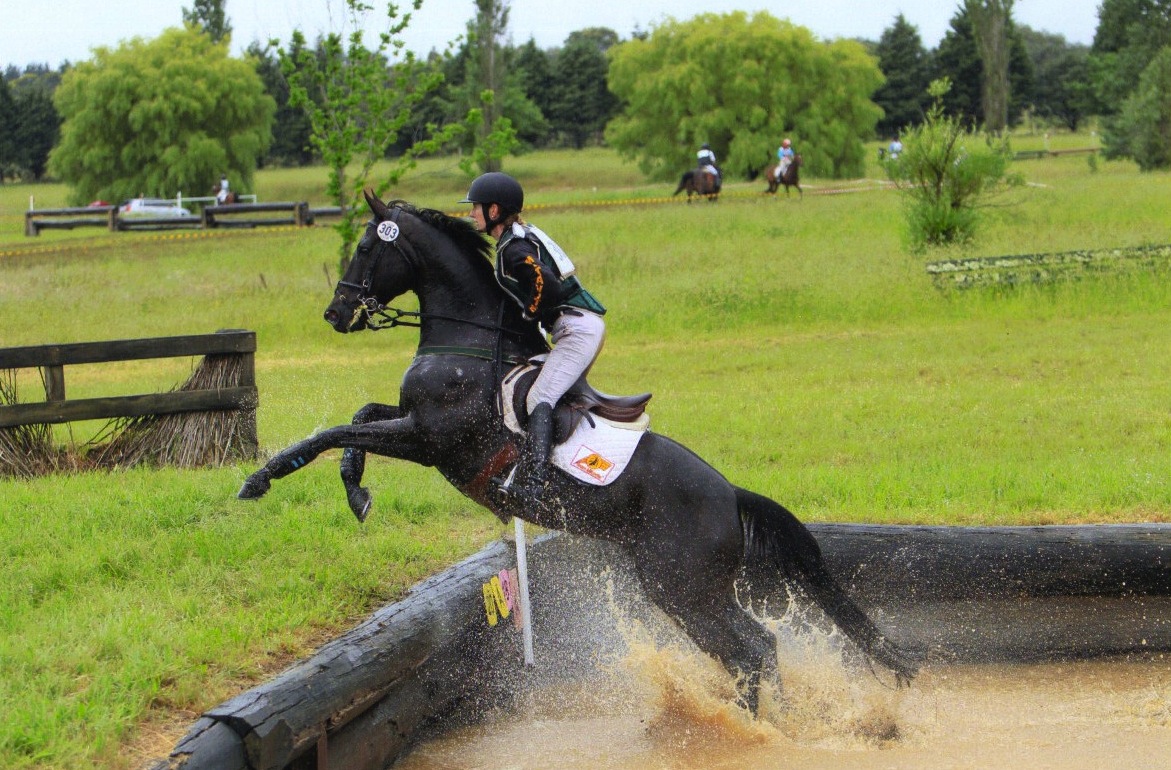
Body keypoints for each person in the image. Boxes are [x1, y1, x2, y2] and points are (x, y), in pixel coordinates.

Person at [460, 171, 607, 499]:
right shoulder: (516, 237)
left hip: (575, 330)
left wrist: (529, 314)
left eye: (476, 207)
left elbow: (546, 284)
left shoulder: (513, 249)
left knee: (539, 399)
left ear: (494, 211)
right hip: (577, 325)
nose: (470, 214)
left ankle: (536, 483)